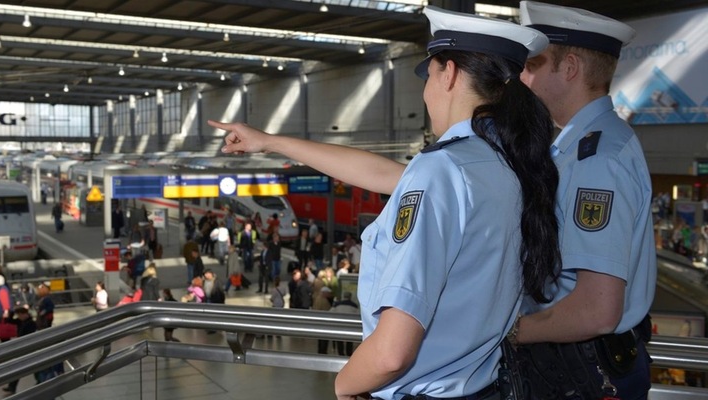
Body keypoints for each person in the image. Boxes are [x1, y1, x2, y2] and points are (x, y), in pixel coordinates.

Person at [209, 5, 561, 399]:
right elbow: (382, 174)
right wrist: (269, 142)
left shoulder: (444, 170)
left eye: (428, 76)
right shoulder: (502, 164)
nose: (425, 91)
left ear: (449, 75)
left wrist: (342, 386)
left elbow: (393, 352)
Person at [511, 2, 657, 399]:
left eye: (533, 66)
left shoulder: (598, 161)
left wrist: (508, 332)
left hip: (582, 374)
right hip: (576, 369)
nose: (522, 79)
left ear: (570, 68)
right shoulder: (580, 147)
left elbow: (597, 309)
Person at [3, 307, 37, 394]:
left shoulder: (31, 323)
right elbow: (8, 321)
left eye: (20, 314)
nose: (19, 316)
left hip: (28, 349)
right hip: (22, 349)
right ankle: (12, 386)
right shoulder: (20, 321)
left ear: (25, 314)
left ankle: (40, 382)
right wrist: (12, 312)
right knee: (17, 368)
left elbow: (29, 336)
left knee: (32, 368)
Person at [330, 291, 359, 357]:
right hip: (350, 325)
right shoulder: (354, 305)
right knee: (349, 340)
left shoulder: (337, 304)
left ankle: (340, 353)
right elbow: (358, 315)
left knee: (339, 340)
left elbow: (331, 312)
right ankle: (349, 353)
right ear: (350, 297)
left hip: (339, 324)